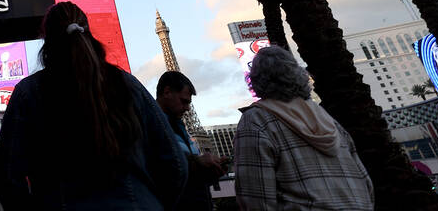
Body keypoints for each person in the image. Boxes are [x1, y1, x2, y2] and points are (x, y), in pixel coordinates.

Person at [0, 2, 187, 210]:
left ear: (46, 40)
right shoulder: (127, 84)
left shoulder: (28, 93)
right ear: (87, 31)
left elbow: (7, 175)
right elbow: (175, 162)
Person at [234, 46, 373, 211]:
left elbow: (255, 199)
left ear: (255, 79)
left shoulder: (256, 120)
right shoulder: (326, 119)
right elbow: (366, 182)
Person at [156, 71, 228, 210]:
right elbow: (161, 170)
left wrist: (209, 172)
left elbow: (188, 177)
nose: (188, 108)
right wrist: (198, 163)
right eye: (184, 101)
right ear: (167, 92)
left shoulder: (179, 126)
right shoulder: (152, 125)